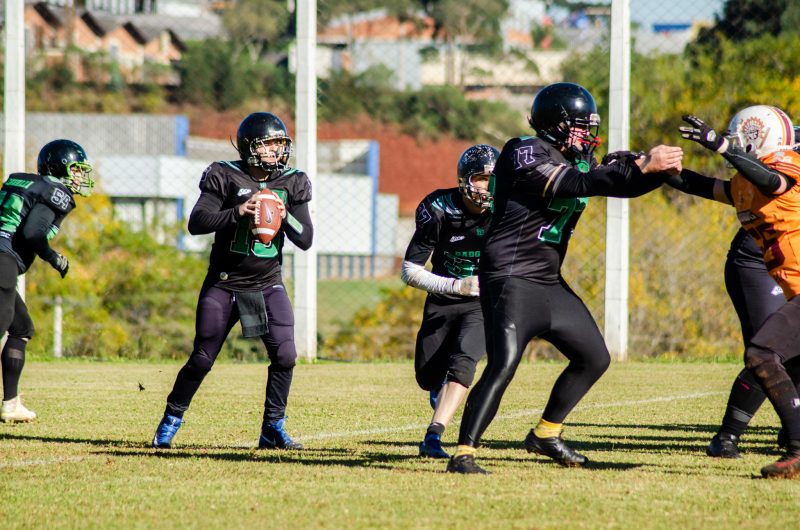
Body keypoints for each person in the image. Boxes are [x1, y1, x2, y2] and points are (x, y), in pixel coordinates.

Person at [446, 82, 683, 474]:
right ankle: (464, 454)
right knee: (504, 363)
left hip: (547, 279)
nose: (586, 135)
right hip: (510, 274)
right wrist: (639, 166)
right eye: (578, 127)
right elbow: (575, 184)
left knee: (594, 357)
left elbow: (619, 185)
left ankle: (545, 434)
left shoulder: (579, 160)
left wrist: (660, 171)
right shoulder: (521, 151)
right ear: (554, 124)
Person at [152, 112, 313, 450]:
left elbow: (305, 238)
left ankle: (272, 427)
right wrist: (239, 210)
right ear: (250, 147)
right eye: (269, 144)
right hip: (225, 283)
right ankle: (171, 418)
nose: (277, 151)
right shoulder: (224, 175)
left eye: (280, 144)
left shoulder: (292, 181)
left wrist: (283, 218)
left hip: (268, 283)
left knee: (285, 356)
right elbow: (197, 221)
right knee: (203, 357)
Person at [672, 105, 800, 478]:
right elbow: (704, 187)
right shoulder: (745, 184)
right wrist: (654, 170)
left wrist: (723, 147)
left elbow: (774, 183)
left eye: (739, 139)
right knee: (787, 363)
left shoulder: (786, 165)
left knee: (762, 353)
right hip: (794, 290)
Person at [401, 144, 498, 459]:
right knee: (427, 376)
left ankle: (433, 436)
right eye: (483, 178)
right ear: (465, 180)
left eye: (494, 178)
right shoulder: (439, 208)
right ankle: (437, 387)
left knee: (464, 362)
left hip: (484, 303)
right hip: (444, 297)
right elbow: (410, 271)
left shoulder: (507, 210)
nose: (489, 185)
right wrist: (456, 285)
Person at [0, 139, 94, 422]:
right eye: (76, 170)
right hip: (2, 259)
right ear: (60, 167)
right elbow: (32, 233)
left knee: (21, 327)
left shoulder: (22, 181)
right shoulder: (57, 192)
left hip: (3, 260)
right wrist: (54, 258)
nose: (80, 177)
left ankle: (11, 403)